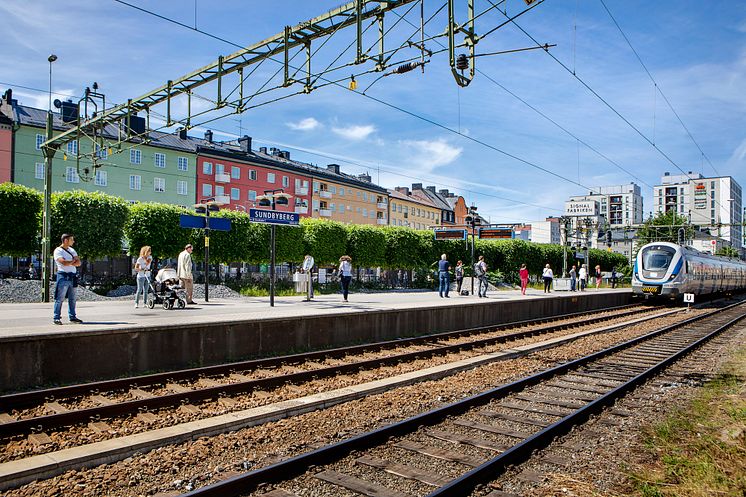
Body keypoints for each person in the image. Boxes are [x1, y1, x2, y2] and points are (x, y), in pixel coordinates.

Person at [53, 233, 83, 325]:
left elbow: (79, 263)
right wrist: (73, 261)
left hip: (73, 276)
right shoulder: (58, 251)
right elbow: (63, 263)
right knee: (60, 298)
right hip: (63, 276)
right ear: (66, 240)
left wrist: (70, 262)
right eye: (71, 240)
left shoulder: (72, 250)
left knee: (72, 298)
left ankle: (72, 317)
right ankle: (56, 317)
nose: (73, 241)